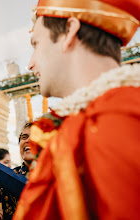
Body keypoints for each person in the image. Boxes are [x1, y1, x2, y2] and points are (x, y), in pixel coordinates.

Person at [13, 0, 140, 219]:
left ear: (69, 31)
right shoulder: (99, 117)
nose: (30, 64)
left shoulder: (119, 120)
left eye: (36, 44)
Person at [0, 122, 41, 220]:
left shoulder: (56, 174)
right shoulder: (8, 176)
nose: (28, 140)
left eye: (35, 135)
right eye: (24, 137)